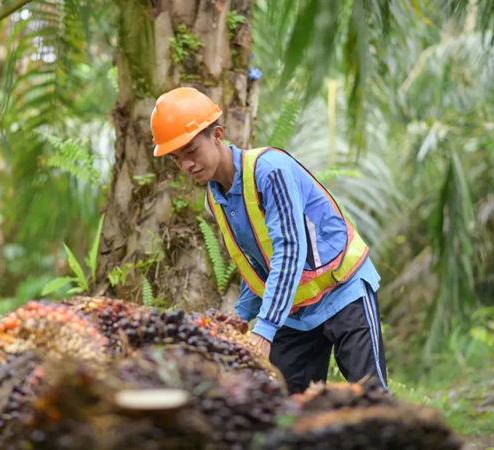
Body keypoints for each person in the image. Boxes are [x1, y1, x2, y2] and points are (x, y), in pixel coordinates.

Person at [149, 87, 387, 394]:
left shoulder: (270, 171)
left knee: (372, 399)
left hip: (343, 290)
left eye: (192, 151)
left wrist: (264, 328)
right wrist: (238, 318)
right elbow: (259, 265)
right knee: (284, 408)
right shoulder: (214, 198)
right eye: (176, 158)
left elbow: (289, 252)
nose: (187, 165)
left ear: (218, 135)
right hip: (295, 310)